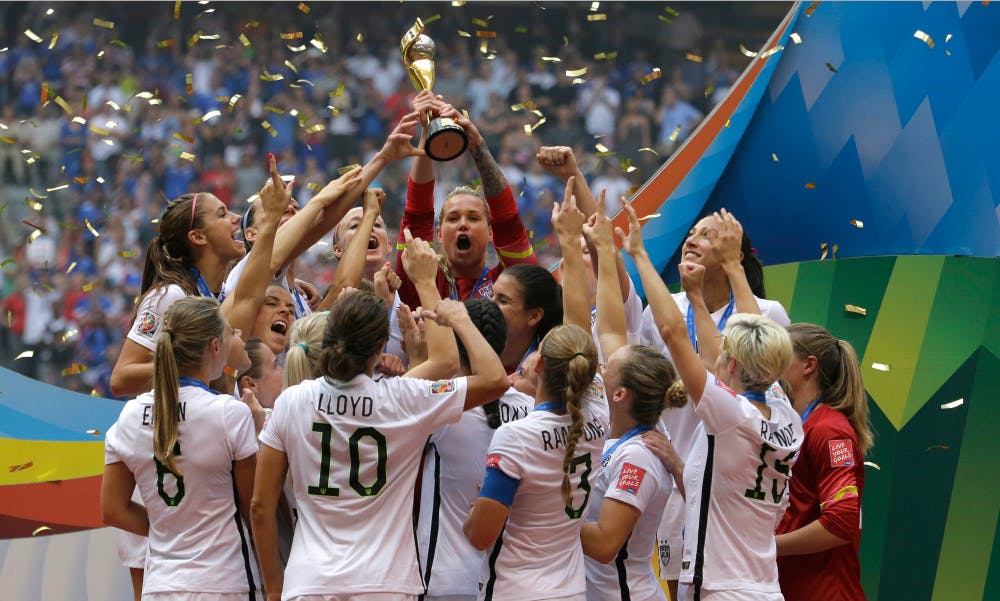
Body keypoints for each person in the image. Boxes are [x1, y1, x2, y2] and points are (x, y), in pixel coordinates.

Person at [250, 232, 509, 601]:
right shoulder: (404, 398)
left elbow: (261, 506)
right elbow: (494, 379)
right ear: (380, 346)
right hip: (385, 583)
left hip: (310, 582)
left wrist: (275, 588)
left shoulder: (293, 401)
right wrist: (449, 308)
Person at [621, 204, 803, 601]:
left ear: (730, 363)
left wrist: (638, 254)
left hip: (720, 587)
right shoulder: (787, 416)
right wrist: (708, 288)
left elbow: (675, 334)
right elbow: (750, 343)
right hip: (763, 585)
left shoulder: (729, 414)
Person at [100, 297, 262, 600]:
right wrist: (257, 431)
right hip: (224, 582)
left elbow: (112, 510)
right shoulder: (229, 413)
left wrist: (171, 528)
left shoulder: (130, 416)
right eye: (229, 334)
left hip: (161, 585)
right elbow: (253, 506)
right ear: (215, 347)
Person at [580, 196, 687, 601]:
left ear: (620, 393)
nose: (600, 368)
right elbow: (608, 329)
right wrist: (603, 249)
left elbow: (606, 545)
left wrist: (544, 513)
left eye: (607, 369)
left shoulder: (638, 456)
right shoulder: (620, 434)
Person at [463, 323, 608, 601]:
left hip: (516, 589)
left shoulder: (515, 436)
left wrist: (477, 510)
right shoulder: (600, 416)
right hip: (572, 591)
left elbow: (480, 536)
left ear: (539, 364)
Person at [415, 298, 537, 601]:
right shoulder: (531, 409)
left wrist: (418, 354)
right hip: (504, 580)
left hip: (444, 579)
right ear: (501, 344)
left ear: (455, 342)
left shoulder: (441, 406)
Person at [395, 90, 536, 307]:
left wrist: (477, 144)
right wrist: (429, 133)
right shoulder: (420, 278)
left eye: (473, 218)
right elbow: (417, 217)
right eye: (453, 218)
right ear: (439, 234)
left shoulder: (509, 282)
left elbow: (507, 221)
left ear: (491, 232)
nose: (462, 224)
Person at [776, 324, 872, 601]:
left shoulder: (830, 431)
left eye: (780, 355)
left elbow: (841, 522)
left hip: (826, 592)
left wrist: (766, 547)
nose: (771, 364)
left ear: (808, 365)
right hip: (793, 587)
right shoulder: (798, 427)